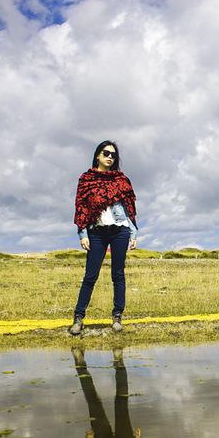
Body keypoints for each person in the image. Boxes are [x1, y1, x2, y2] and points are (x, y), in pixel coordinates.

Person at [69, 140, 138, 335]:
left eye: (113, 155)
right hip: (96, 232)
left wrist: (133, 233)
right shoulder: (86, 179)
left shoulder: (121, 180)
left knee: (118, 274)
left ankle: (117, 317)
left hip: (120, 230)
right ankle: (78, 318)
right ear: (97, 155)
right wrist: (83, 234)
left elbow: (129, 208)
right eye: (106, 153)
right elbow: (81, 207)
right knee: (90, 276)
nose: (110, 157)